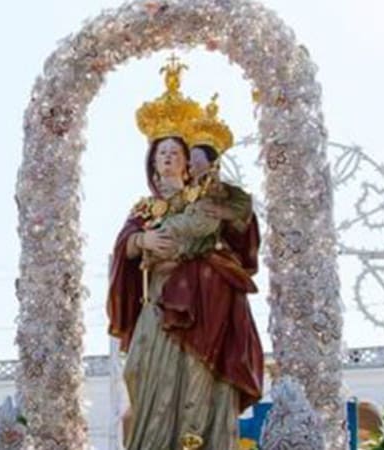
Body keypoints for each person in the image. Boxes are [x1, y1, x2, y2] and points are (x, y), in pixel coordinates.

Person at [108, 57, 265, 450]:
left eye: (175, 152)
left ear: (188, 161)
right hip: (159, 303)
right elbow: (122, 246)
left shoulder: (207, 200)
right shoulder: (144, 209)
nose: (168, 156)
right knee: (142, 369)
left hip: (205, 306)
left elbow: (241, 234)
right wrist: (141, 242)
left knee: (200, 381)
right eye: (160, 152)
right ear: (151, 161)